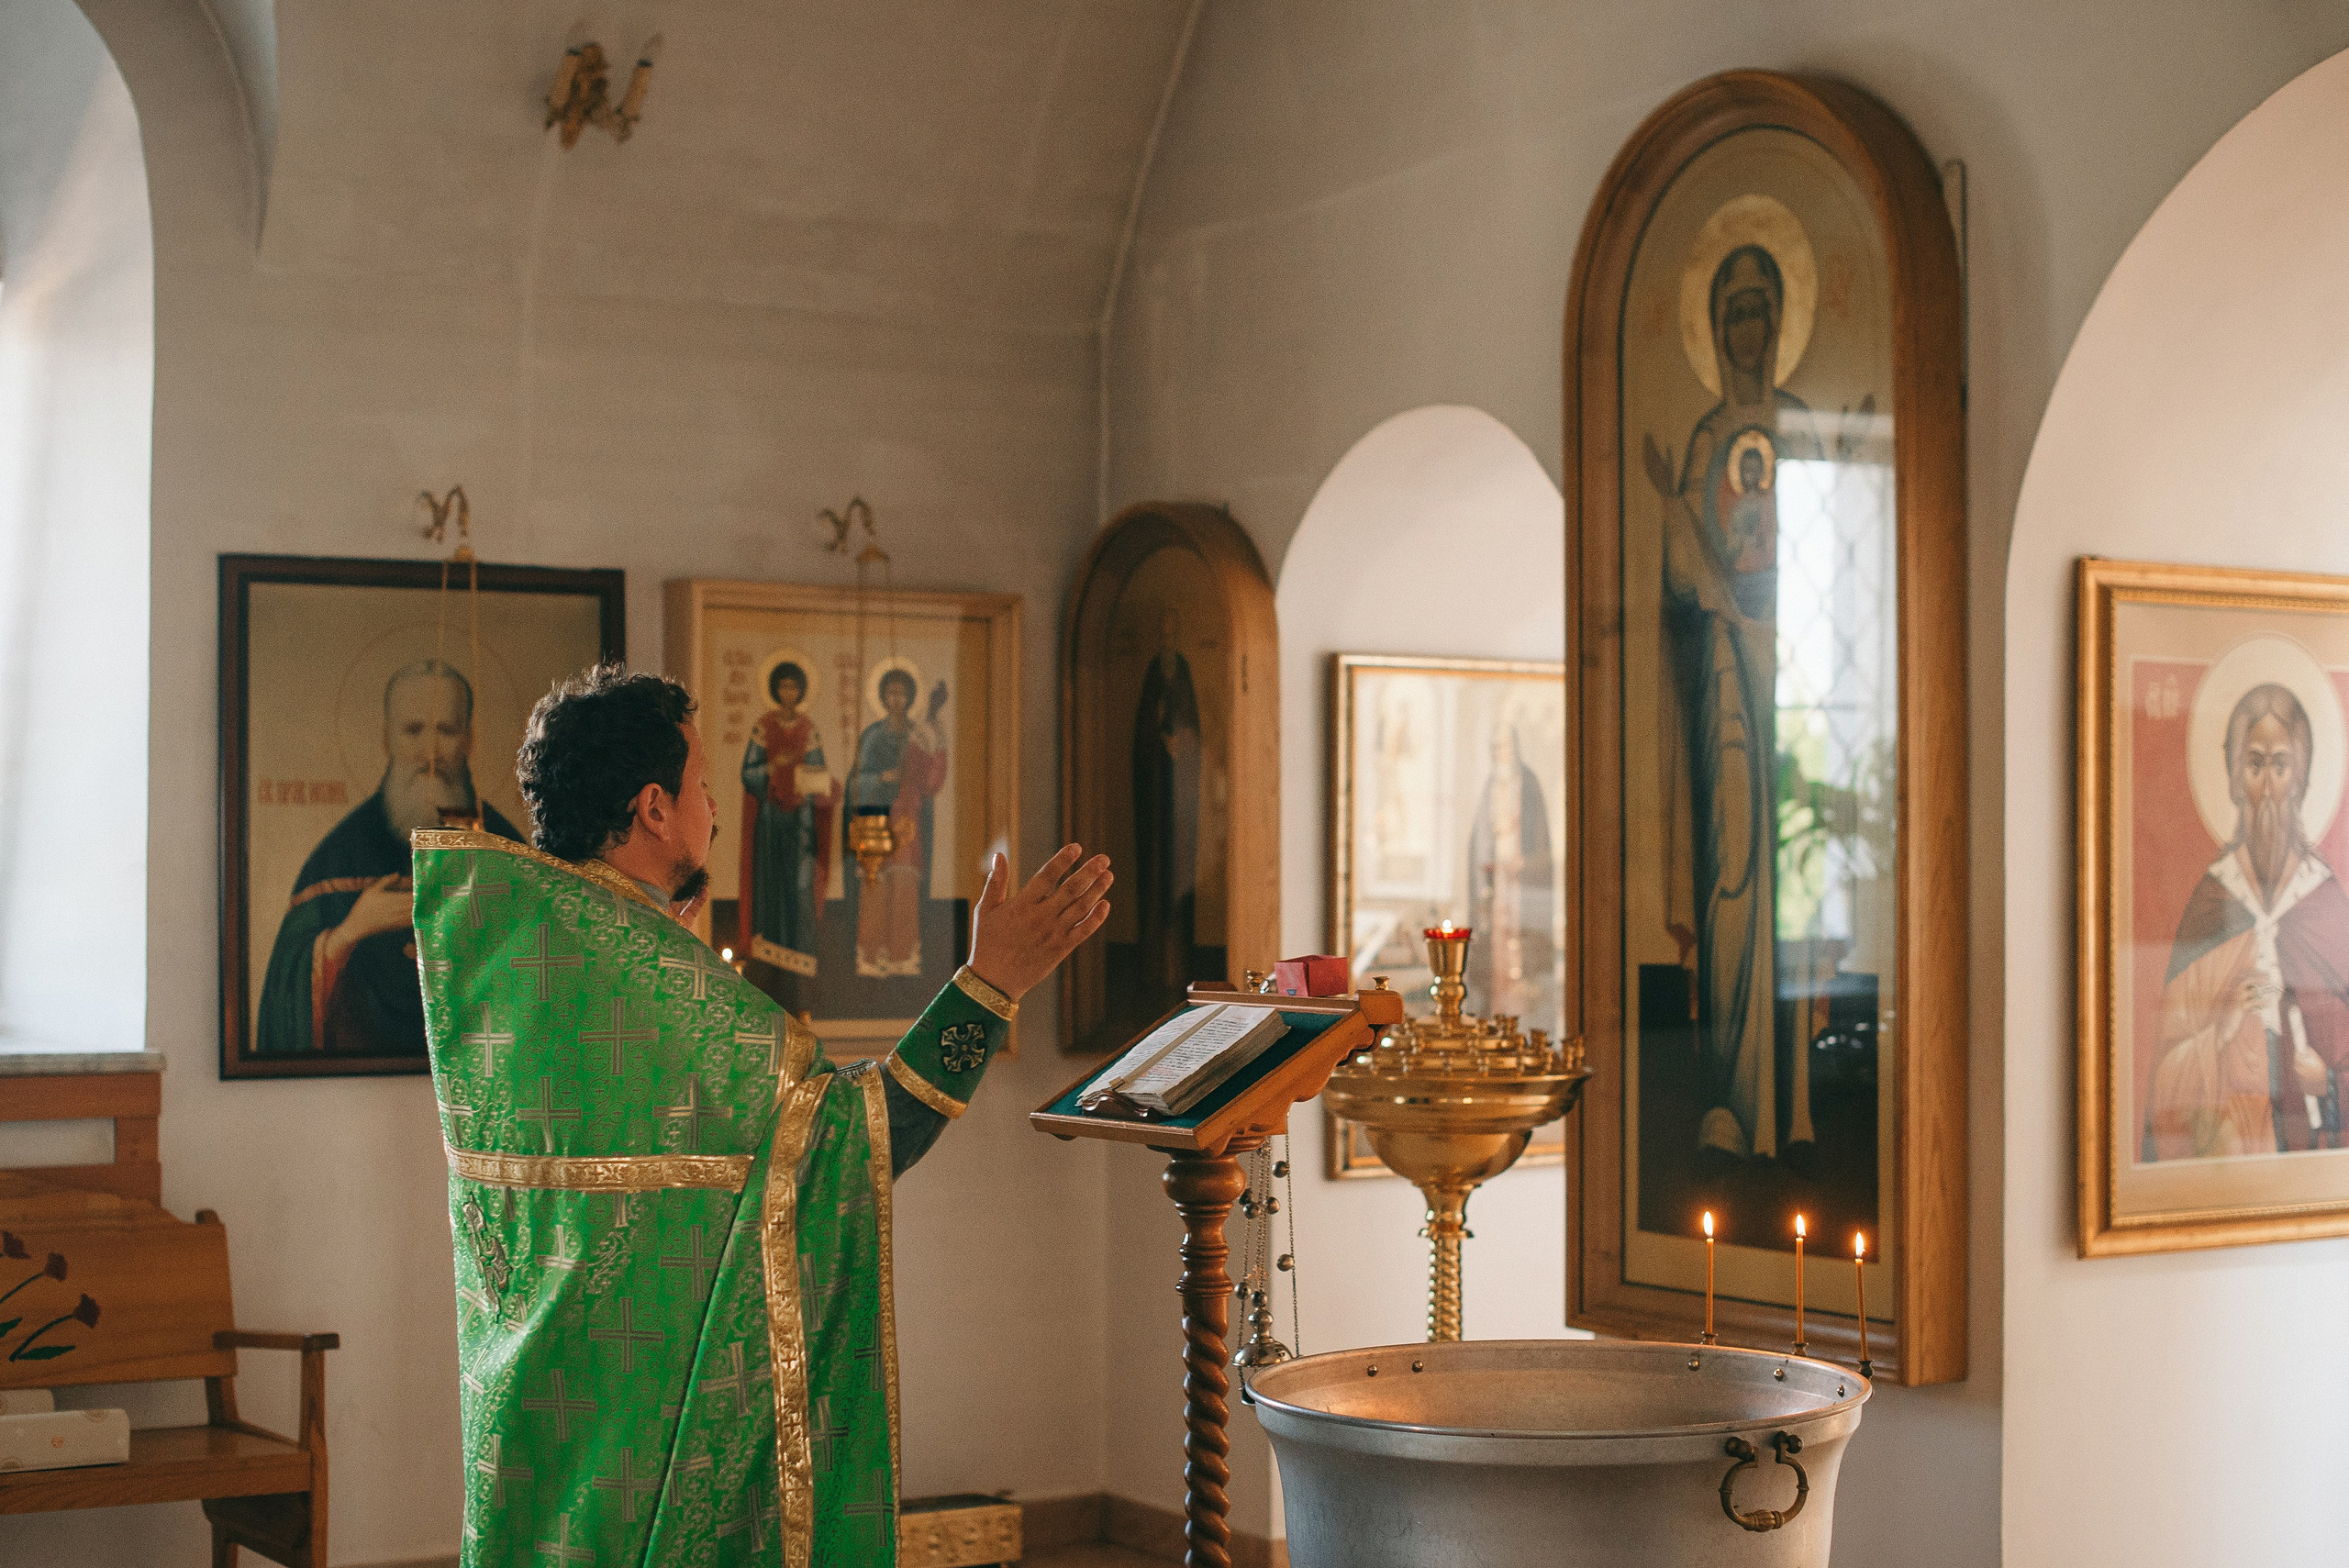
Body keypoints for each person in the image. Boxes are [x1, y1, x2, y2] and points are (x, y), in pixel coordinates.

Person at [415, 664, 1110, 1566]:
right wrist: (990, 984)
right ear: (654, 807)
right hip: (644, 1456)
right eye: (703, 784)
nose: (715, 806)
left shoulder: (524, 951)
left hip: (539, 1428)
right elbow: (857, 1135)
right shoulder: (653, 984)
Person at [1642, 242, 1821, 1163]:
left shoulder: (1801, 428)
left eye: (1759, 309)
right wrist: (1683, 529)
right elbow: (1680, 580)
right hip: (1724, 677)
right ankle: (1729, 1094)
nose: (1747, 329)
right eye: (1733, 312)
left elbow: (1836, 551)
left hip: (1797, 678)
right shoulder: (1709, 441)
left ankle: (1791, 1104)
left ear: (1778, 322)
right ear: (1716, 329)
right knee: (1734, 868)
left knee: (1796, 878)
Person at [255, 660, 519, 1056]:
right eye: (413, 730)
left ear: (469, 739)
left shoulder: (505, 850)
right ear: (386, 739)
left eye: (446, 731)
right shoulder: (338, 859)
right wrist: (349, 932)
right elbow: (285, 996)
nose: (430, 753)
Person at [2150, 683, 2349, 1159]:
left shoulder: (2325, 904)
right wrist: (2219, 1032)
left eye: (2280, 766)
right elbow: (2165, 1081)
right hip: (2232, 1150)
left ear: (2300, 777)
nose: (2267, 787)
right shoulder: (2211, 902)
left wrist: (2327, 1083)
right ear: (2236, 779)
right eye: (2255, 764)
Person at [845, 668, 949, 977]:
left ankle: (901, 956)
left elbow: (930, 780)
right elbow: (855, 783)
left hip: (906, 817)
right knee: (875, 884)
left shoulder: (920, 734)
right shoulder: (872, 736)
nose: (896, 699)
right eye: (891, 693)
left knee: (904, 882)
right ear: (883, 697)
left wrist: (936, 728)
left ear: (910, 698)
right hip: (875, 817)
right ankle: (870, 956)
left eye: (902, 693)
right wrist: (881, 778)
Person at [739, 661, 838, 975]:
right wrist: (774, 766)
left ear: (801, 691)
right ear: (775, 690)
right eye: (784, 686)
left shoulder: (809, 729)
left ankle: (800, 954)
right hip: (770, 820)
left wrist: (808, 780)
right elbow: (748, 774)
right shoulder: (764, 726)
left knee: (800, 884)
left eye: (794, 687)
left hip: (801, 821)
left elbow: (819, 774)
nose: (789, 693)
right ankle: (770, 953)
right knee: (770, 882)